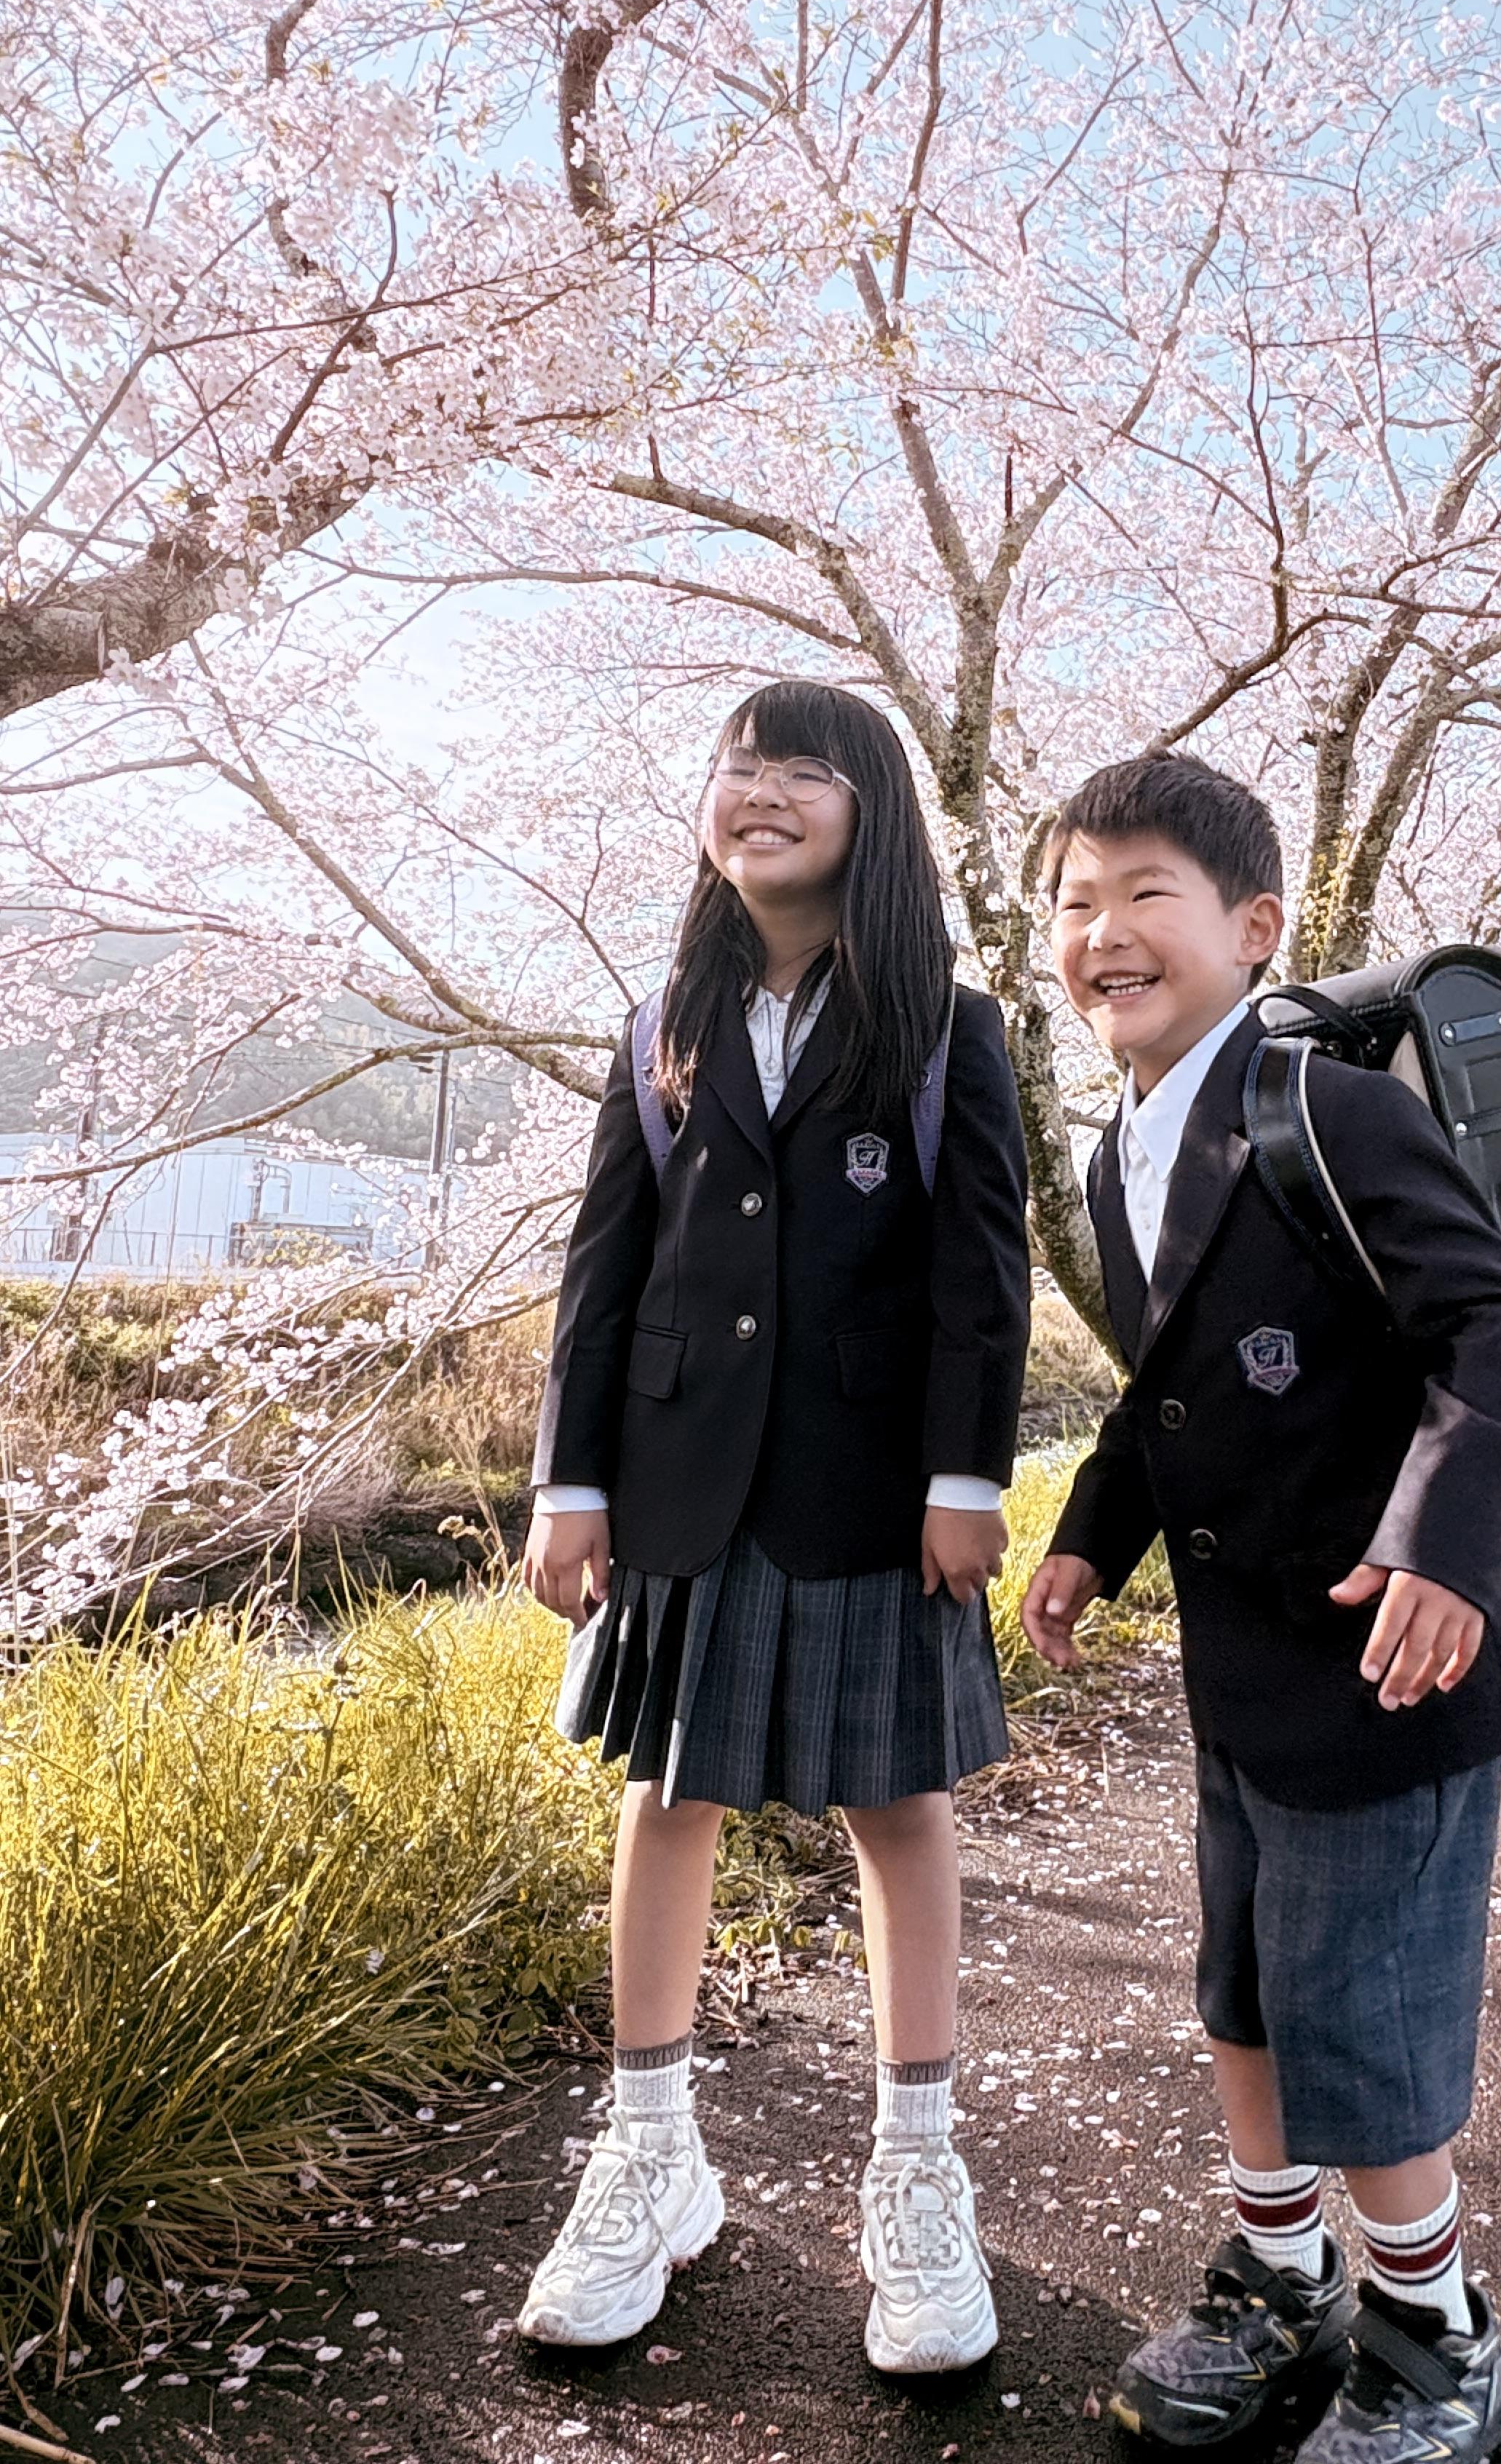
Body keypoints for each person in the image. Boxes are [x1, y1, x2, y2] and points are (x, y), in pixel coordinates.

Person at [1021, 753, 1501, 2464]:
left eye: (1145, 895)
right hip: (1244, 1670)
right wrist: (1090, 1538)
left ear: (1254, 928)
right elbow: (1160, 1387)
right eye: (1075, 903)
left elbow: (1495, 1326)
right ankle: (1281, 2277)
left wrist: (1444, 1550)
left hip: (1393, 1667)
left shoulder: (1326, 1110)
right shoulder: (1117, 1153)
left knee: (1364, 2025)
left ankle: (1437, 2335)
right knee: (1245, 1989)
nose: (1103, 932)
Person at [519, 680, 1031, 2375]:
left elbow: (982, 1274)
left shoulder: (944, 1028)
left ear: (872, 809)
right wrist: (568, 1481)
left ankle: (919, 2170)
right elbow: (604, 1269)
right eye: (740, 764)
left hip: (876, 1486)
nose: (761, 790)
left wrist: (969, 1479)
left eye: (804, 766)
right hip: (680, 1481)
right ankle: (649, 2156)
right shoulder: (663, 1021)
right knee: (670, 1797)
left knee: (900, 1808)